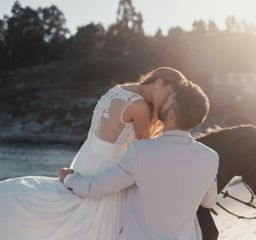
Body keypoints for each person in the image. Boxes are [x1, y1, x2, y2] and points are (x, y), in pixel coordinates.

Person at [0, 67, 188, 240]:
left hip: (88, 157)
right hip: (107, 165)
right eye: (170, 94)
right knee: (97, 222)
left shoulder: (120, 89)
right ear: (159, 82)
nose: (168, 101)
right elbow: (147, 149)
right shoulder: (140, 107)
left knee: (74, 211)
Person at [59, 81, 219, 240]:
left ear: (171, 114)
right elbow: (209, 202)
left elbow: (96, 188)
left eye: (168, 99)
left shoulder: (141, 151)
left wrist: (69, 177)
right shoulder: (210, 157)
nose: (162, 102)